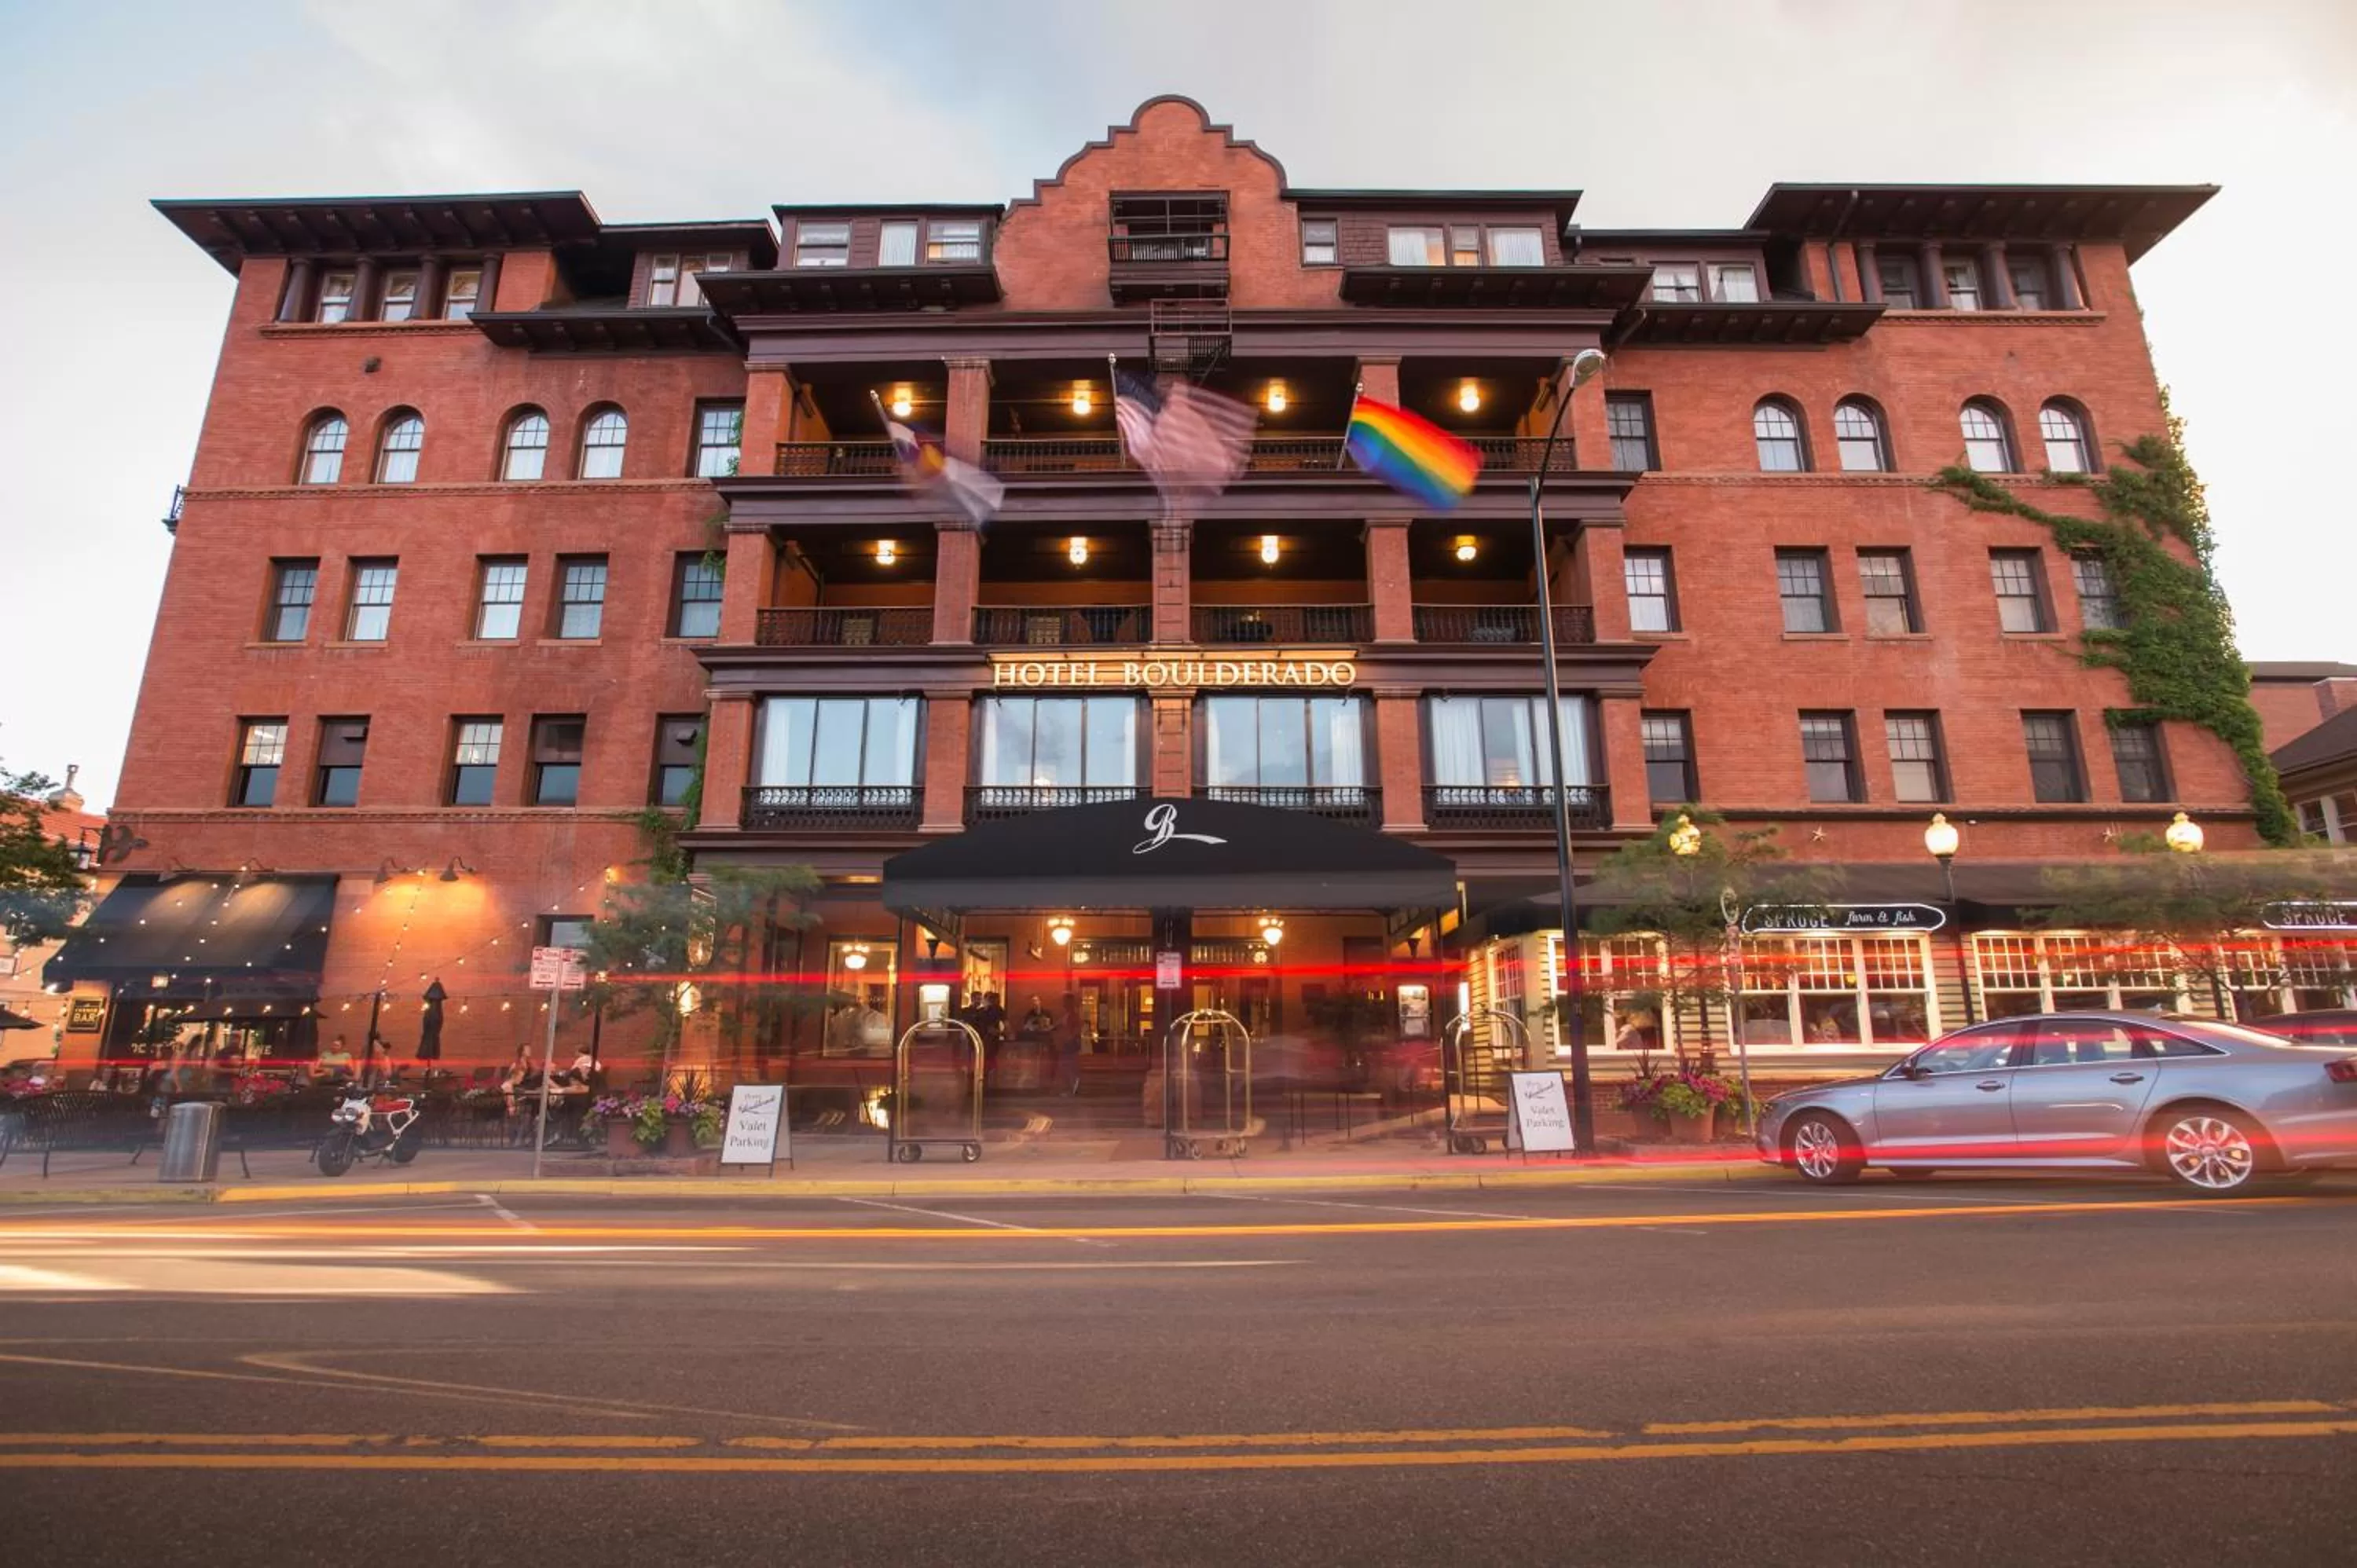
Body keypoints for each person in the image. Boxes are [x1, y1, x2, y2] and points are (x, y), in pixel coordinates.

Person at [1055, 992, 1083, 1097]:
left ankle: (1072, 1089)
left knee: (1068, 1066)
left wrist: (1070, 1037)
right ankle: (1071, 1088)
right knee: (1067, 1066)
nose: (1063, 1004)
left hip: (1070, 1044)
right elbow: (1059, 1025)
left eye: (1065, 1001)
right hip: (1067, 1044)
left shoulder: (1073, 1015)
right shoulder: (1067, 1015)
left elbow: (1078, 1028)